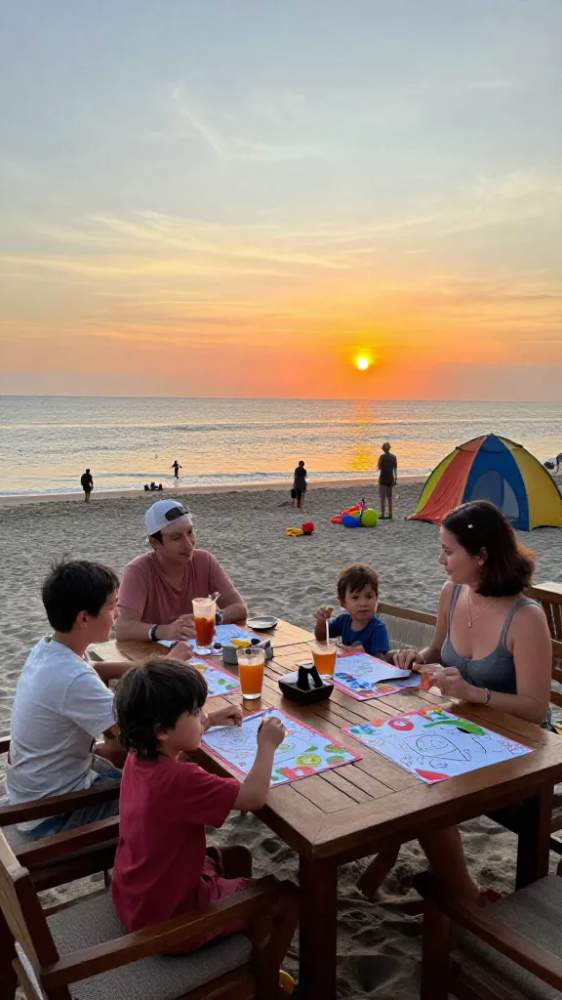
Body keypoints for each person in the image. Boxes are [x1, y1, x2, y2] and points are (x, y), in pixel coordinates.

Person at [359, 500, 552, 902]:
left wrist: (470, 692)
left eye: (449, 552)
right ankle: (460, 891)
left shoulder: (525, 617)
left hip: (523, 749)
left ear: (481, 556)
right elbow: (436, 652)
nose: (441, 560)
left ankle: (464, 898)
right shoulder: (452, 592)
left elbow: (536, 708)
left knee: (426, 790)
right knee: (395, 761)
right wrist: (415, 658)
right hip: (469, 731)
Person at [112, 659, 293, 955]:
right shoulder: (181, 779)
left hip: (137, 896)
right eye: (195, 712)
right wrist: (267, 745)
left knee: (236, 856)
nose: (201, 716)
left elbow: (175, 737)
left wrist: (209, 721)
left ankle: (241, 940)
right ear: (162, 730)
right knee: (284, 896)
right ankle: (267, 980)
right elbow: (253, 798)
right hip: (171, 922)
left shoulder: (138, 754)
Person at [4, 559, 191, 841]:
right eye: (111, 607)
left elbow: (95, 672)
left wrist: (159, 665)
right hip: (52, 816)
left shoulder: (51, 650)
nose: (116, 615)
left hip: (35, 791)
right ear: (83, 618)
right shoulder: (72, 677)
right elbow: (138, 738)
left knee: (124, 754)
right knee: (172, 791)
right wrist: (204, 718)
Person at [115, 499, 248, 642]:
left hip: (198, 653)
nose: (188, 543)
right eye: (176, 537)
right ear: (155, 543)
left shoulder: (205, 561)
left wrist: (213, 618)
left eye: (190, 532)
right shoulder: (138, 571)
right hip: (156, 657)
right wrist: (164, 631)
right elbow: (123, 629)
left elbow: (240, 609)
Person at [314, 563, 390, 658]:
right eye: (355, 597)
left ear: (376, 598)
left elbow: (382, 663)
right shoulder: (344, 620)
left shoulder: (378, 629)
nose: (363, 603)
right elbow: (321, 637)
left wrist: (362, 655)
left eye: (369, 597)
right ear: (343, 603)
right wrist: (321, 621)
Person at [377, 443, 397, 520]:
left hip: (383, 479)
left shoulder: (382, 457)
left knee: (382, 497)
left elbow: (379, 467)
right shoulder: (393, 457)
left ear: (383, 449)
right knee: (390, 498)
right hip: (390, 479)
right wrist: (396, 478)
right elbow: (395, 469)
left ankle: (382, 514)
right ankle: (390, 514)